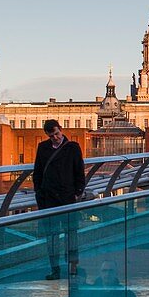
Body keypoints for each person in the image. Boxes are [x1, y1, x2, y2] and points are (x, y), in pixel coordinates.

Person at [32, 119, 86, 280]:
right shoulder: (42, 148)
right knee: (52, 236)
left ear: (60, 130)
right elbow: (38, 173)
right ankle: (55, 269)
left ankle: (72, 266)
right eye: (51, 136)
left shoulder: (73, 148)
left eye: (56, 134)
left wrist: (78, 192)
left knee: (71, 233)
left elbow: (79, 172)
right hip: (49, 199)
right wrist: (39, 193)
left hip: (68, 197)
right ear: (47, 135)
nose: (55, 138)